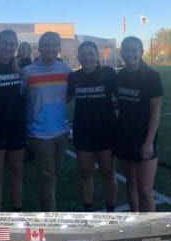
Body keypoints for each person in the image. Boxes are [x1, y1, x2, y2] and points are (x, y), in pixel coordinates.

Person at [20, 32, 71, 210]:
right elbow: (19, 99)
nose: (50, 48)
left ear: (59, 48)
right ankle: (51, 218)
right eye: (46, 45)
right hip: (39, 134)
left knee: (52, 175)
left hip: (62, 132)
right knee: (48, 176)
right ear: (40, 48)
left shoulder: (65, 69)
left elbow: (70, 94)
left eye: (54, 45)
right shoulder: (28, 72)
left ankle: (48, 206)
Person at [114, 37, 163, 212]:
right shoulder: (120, 75)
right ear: (122, 53)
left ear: (141, 52)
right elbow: (121, 102)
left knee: (145, 189)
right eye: (126, 50)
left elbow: (155, 112)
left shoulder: (152, 77)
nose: (130, 54)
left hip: (143, 139)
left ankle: (150, 228)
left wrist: (149, 141)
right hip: (123, 137)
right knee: (131, 183)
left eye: (134, 50)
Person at [68, 40, 117, 211]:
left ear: (96, 56)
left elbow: (121, 98)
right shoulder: (74, 77)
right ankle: (87, 210)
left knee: (108, 174)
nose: (87, 57)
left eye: (91, 54)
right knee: (86, 173)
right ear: (79, 57)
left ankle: (111, 210)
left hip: (106, 132)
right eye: (84, 54)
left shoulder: (108, 73)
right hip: (83, 133)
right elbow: (65, 100)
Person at [0, 30, 26, 211]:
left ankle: (18, 213)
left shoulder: (21, 68)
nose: (8, 47)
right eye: (4, 43)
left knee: (17, 173)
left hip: (17, 129)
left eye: (12, 44)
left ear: (16, 46)